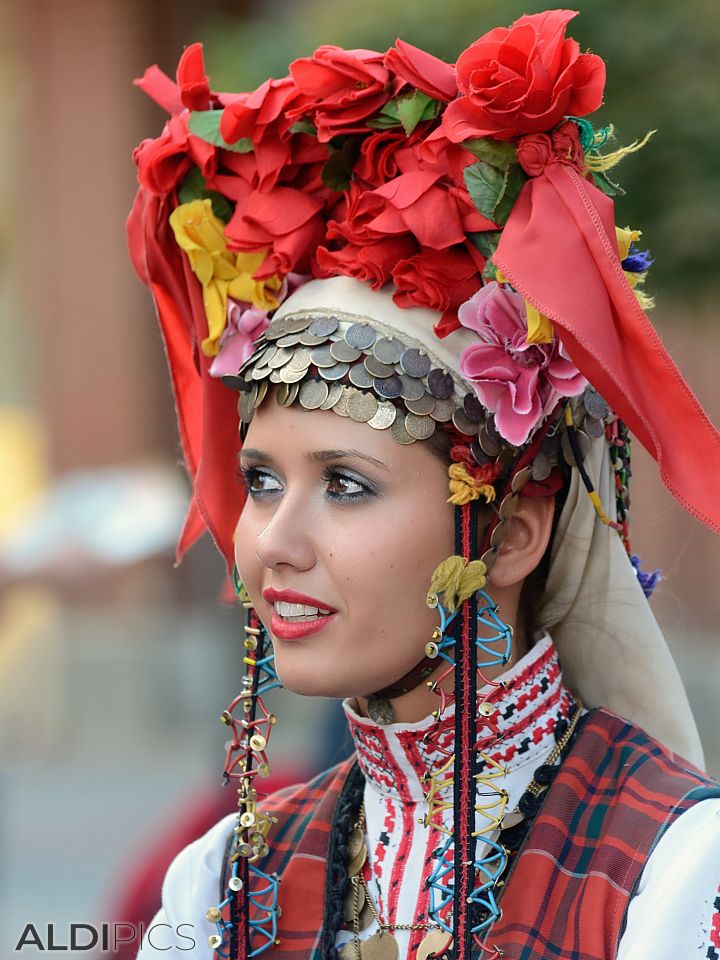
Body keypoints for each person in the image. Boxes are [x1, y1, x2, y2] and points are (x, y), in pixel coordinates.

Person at [127, 10, 720, 959]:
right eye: (262, 481)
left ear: (515, 534)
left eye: (348, 485)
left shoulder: (670, 869)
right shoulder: (221, 883)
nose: (275, 538)